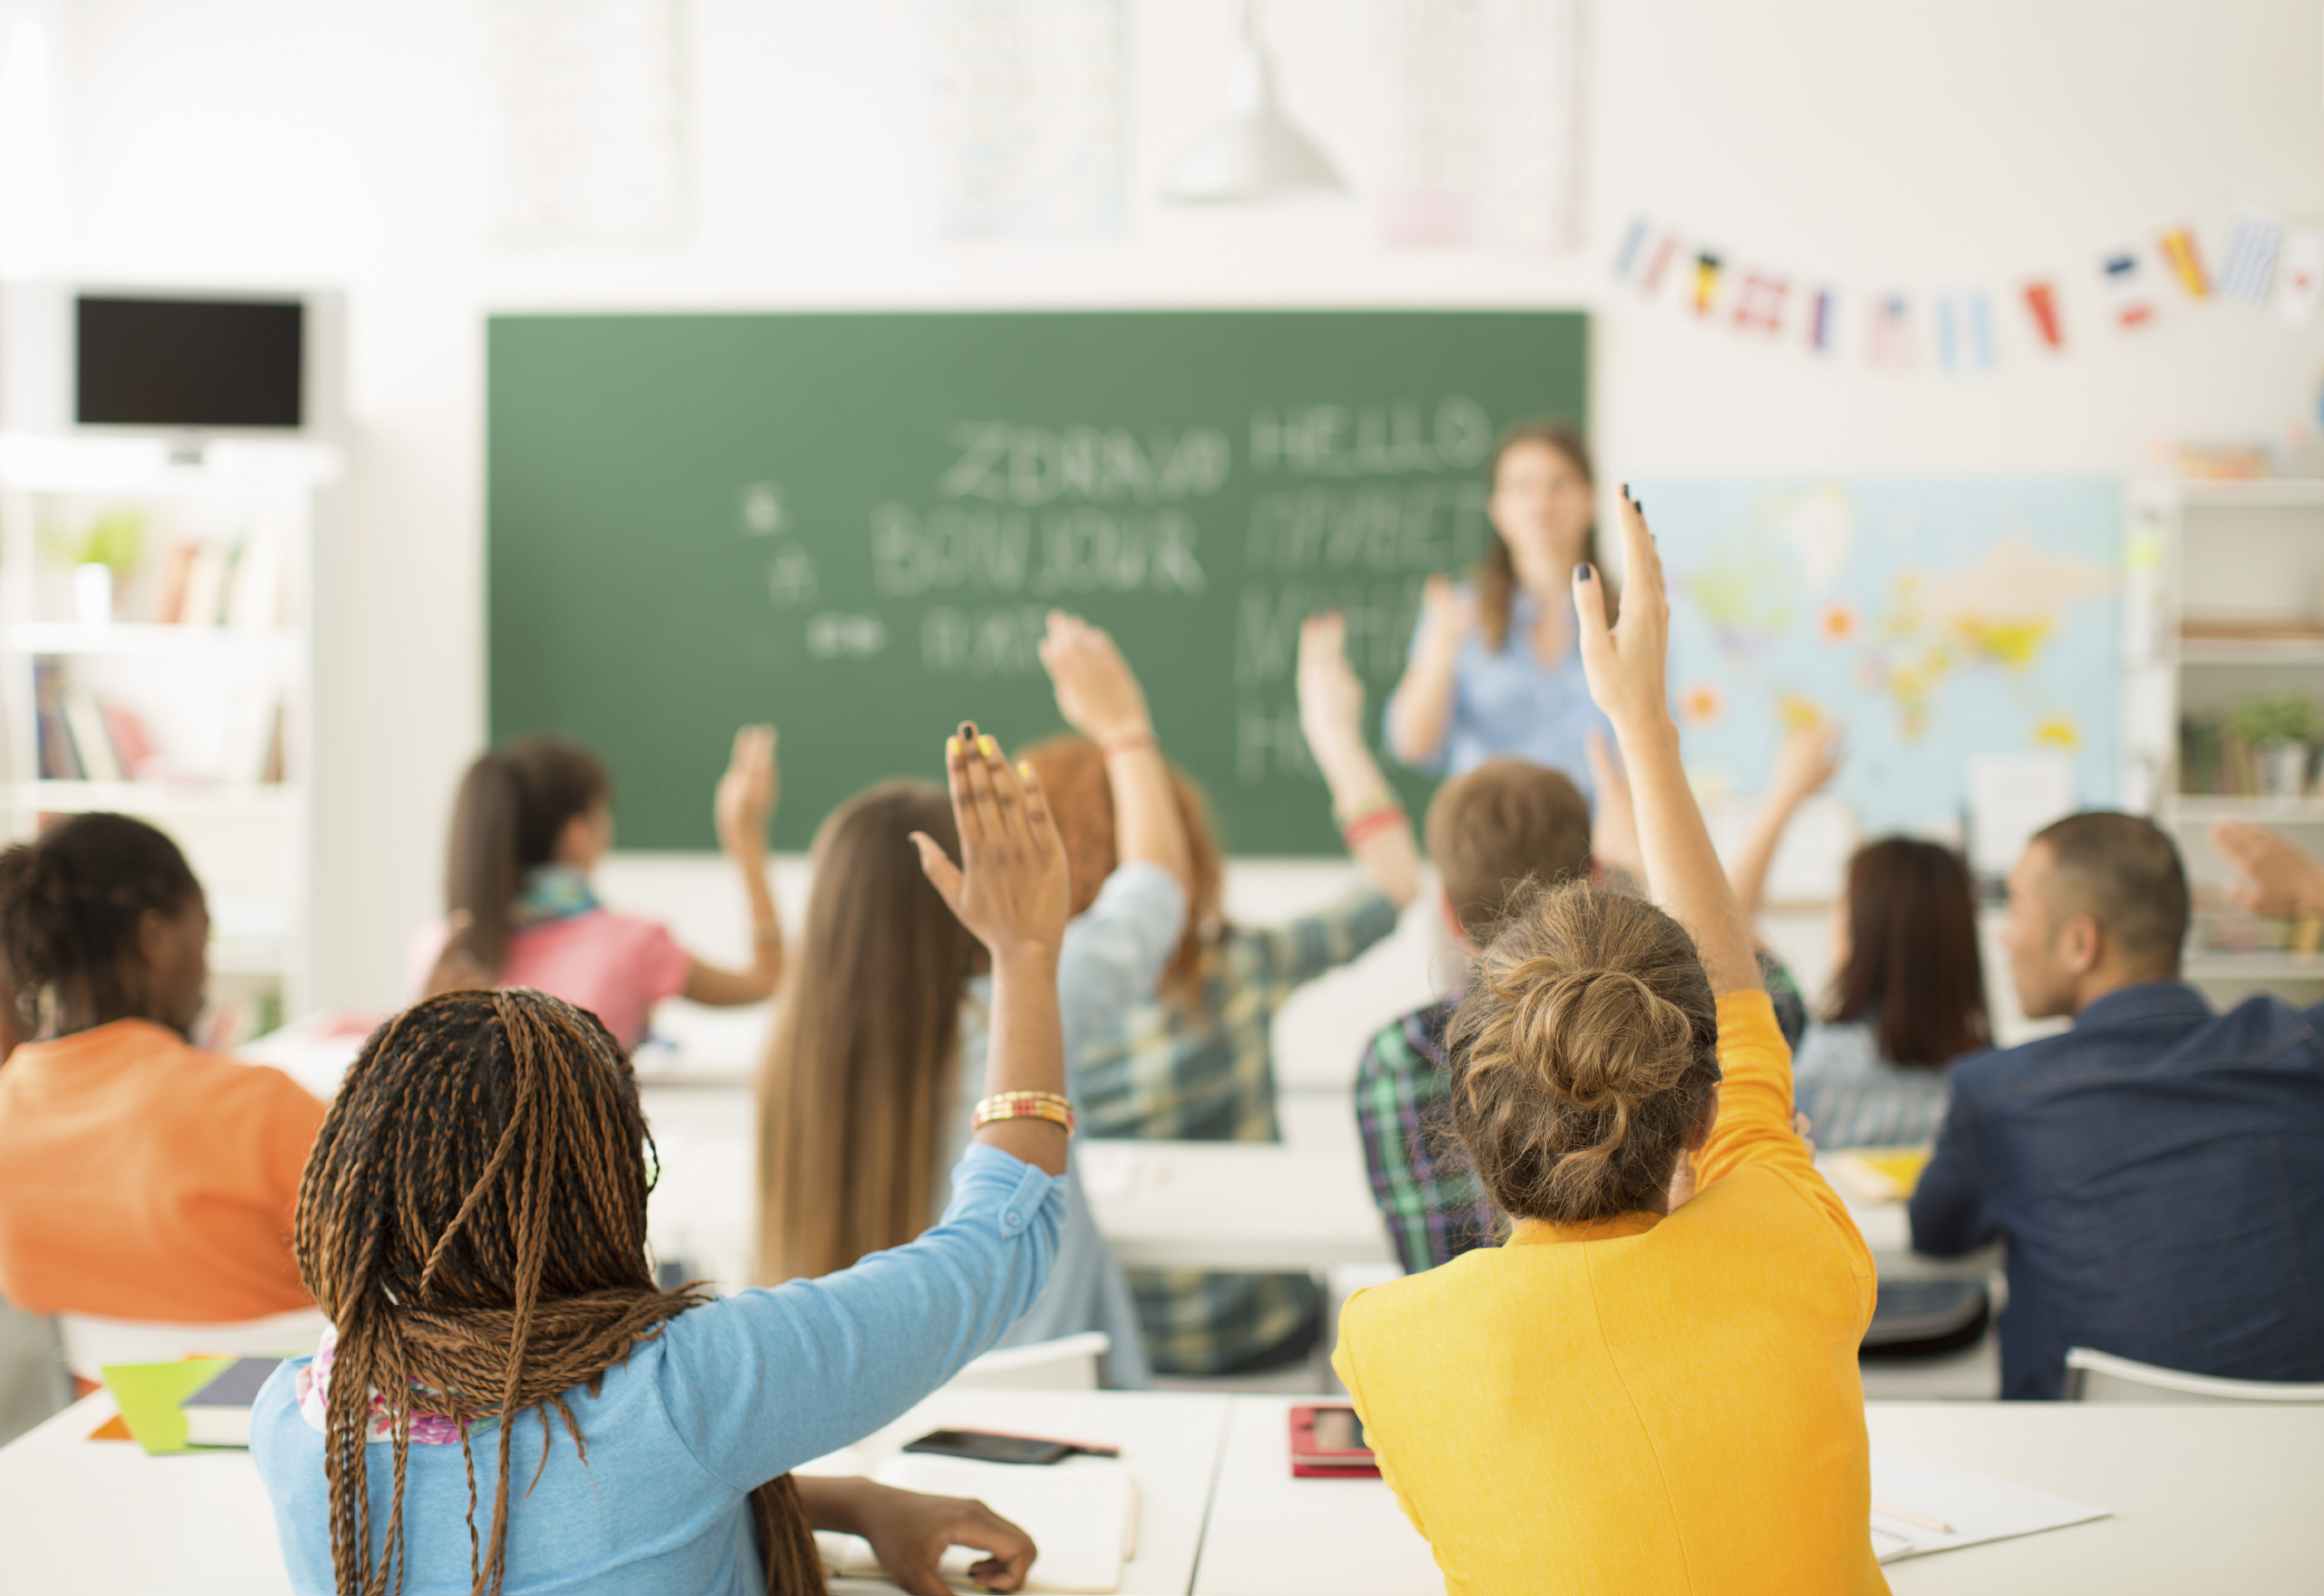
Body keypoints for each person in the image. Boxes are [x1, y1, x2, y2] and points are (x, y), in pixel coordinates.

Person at [255, 725, 1071, 1596]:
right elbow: (994, 1248)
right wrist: (1024, 956)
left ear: (362, 1176)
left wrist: (855, 1503)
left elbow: (547, 1494)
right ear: (607, 1179)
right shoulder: (695, 1391)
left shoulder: (304, 1419)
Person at [1334, 490, 1886, 1595]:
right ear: (1702, 1112)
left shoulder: (1388, 1344)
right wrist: (1642, 723)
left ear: (1467, 1117)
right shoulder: (1789, 1237)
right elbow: (1736, 985)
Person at [757, 613, 1188, 1389]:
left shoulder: (792, 1062)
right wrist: (1124, 731)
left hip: (873, 1440)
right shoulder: (1018, 1010)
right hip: (1062, 1420)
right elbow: (1154, 893)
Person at [1030, 610, 1420, 1375]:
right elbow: (1395, 880)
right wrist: (1334, 735)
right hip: (1265, 1339)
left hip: (1113, 1357)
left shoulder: (1025, 1012)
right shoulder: (1238, 968)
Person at [1910, 811, 2324, 1399]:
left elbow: (1935, 1232)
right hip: (2302, 1469)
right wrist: (2316, 892)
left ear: (2081, 942)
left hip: (2083, 1475)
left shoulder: (1998, 1093)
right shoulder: (2299, 1047)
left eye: (2017, 908)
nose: (2003, 936)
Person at [0, 813, 322, 1326]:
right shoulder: (260, 1109)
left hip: (99, 1408)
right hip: (281, 1403)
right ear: (154, 938)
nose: (206, 973)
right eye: (202, 939)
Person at [1354, 756, 1593, 1274]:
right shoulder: (1637, 1035)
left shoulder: (1398, 1059)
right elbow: (1774, 1000)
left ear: (1446, 909)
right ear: (1594, 885)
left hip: (1453, 1349)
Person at [414, 726, 784, 1050]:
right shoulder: (633, 947)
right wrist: (745, 835)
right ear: (578, 835)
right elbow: (768, 980)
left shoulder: (438, 951)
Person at [1726, 722, 1990, 1148]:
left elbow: (1722, 926)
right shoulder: (1987, 1084)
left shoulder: (1805, 1069)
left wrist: (1786, 795)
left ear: (1858, 932)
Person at [1383, 417, 1613, 798]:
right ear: (1497, 509)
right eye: (1522, 487)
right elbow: (1413, 746)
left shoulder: (1628, 620)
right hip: (1490, 846)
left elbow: (1661, 743)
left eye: (1559, 484)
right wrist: (1440, 651)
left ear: (1590, 501)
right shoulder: (1456, 615)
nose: (1541, 503)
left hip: (1601, 848)